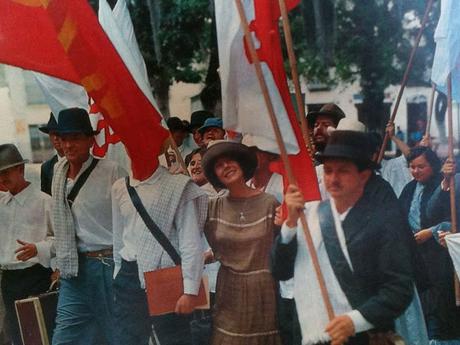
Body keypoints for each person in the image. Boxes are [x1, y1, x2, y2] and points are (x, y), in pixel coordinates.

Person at [271, 129, 414, 345]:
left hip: (363, 336)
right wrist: (290, 224)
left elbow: (399, 290)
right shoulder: (308, 216)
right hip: (310, 334)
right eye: (328, 171)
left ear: (363, 176)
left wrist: (354, 321)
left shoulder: (384, 220)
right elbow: (280, 271)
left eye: (343, 171)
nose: (333, 179)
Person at [111, 156, 207, 345]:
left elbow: (190, 242)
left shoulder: (178, 186)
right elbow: (118, 236)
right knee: (127, 338)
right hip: (129, 274)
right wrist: (118, 274)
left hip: (165, 273)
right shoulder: (120, 187)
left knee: (173, 338)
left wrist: (189, 291)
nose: (137, 148)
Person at [51, 108, 127, 345]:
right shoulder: (58, 171)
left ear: (90, 140)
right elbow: (63, 227)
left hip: (107, 265)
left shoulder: (112, 171)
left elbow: (130, 222)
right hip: (73, 269)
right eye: (64, 139)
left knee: (118, 335)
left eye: (75, 138)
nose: (69, 145)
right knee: (64, 339)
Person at [202, 140, 282, 345]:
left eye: (230, 161)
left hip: (262, 289)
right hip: (228, 290)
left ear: (241, 163)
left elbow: (283, 249)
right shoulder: (212, 207)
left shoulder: (269, 203)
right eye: (219, 165)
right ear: (215, 176)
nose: (226, 166)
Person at [399, 147, 460, 343]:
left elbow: (446, 217)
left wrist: (431, 231)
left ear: (433, 166)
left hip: (440, 254)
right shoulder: (409, 188)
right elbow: (399, 216)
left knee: (440, 304)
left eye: (421, 167)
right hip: (415, 255)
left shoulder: (447, 184)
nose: (415, 171)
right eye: (412, 167)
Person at [0, 144, 53, 345]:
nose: (2, 178)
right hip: (9, 280)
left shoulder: (43, 202)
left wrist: (38, 248)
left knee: (40, 333)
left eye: (6, 172)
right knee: (16, 336)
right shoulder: (1, 204)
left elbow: (62, 240)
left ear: (21, 170)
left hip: (36, 275)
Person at [39, 113, 65, 195]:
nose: (55, 138)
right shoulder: (46, 167)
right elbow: (46, 199)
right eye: (51, 134)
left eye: (58, 133)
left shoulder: (81, 161)